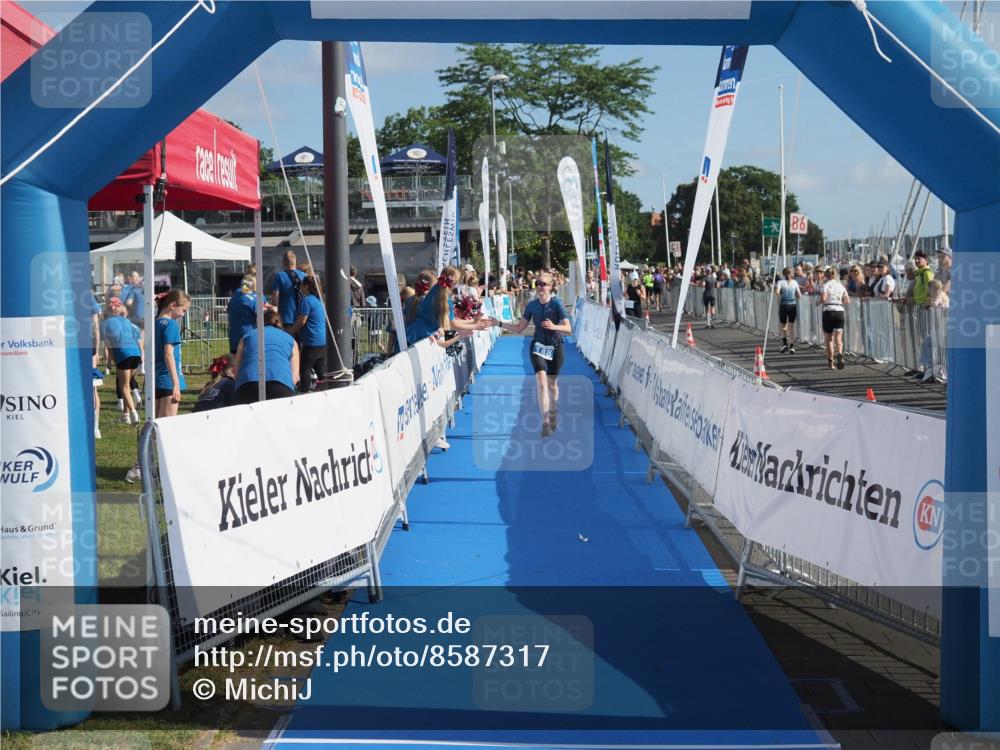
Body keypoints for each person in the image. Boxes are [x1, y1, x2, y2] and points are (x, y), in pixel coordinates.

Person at [494, 271, 572, 437]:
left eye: (543, 284)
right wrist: (498, 323)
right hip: (538, 346)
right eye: (538, 284)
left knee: (552, 385)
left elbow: (568, 329)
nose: (540, 287)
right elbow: (519, 328)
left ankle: (553, 411)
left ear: (551, 287)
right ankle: (544, 423)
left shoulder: (557, 304)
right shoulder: (532, 306)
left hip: (556, 346)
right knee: (542, 383)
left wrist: (554, 326)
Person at [404, 266, 492, 348]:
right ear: (456, 282)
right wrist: (475, 326)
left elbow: (451, 322)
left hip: (413, 335)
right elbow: (453, 325)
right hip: (416, 339)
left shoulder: (436, 291)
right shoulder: (443, 298)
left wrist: (473, 322)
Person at [234, 308, 300, 403]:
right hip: (281, 385)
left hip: (248, 384)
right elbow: (295, 376)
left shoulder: (246, 337)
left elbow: (237, 371)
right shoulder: (291, 340)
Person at [101, 297, 143, 424]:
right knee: (127, 384)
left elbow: (109, 347)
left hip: (123, 354)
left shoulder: (104, 324)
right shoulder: (127, 322)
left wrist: (112, 361)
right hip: (136, 353)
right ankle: (125, 415)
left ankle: (134, 414)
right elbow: (137, 338)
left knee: (124, 387)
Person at [287, 275, 327, 393]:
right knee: (320, 370)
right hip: (322, 341)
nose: (301, 289)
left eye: (302, 286)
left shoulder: (307, 301)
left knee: (304, 370)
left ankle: (304, 393)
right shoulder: (319, 300)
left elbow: (302, 321)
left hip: (311, 342)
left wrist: (290, 331)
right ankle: (325, 390)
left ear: (306, 286)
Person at [154, 289, 191, 418]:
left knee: (156, 426)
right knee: (166, 428)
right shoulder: (171, 325)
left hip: (156, 380)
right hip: (168, 380)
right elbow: (168, 354)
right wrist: (176, 384)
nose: (183, 315)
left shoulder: (155, 323)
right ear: (173, 305)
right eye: (183, 310)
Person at [820, 266, 849, 370]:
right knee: (839, 338)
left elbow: (823, 299)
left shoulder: (825, 285)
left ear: (826, 276)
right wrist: (839, 300)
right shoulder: (841, 286)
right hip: (839, 311)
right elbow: (847, 300)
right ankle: (840, 353)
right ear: (836, 275)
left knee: (829, 339)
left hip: (828, 311)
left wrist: (818, 302)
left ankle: (830, 362)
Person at [270, 250, 306, 326]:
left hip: (285, 319)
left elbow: (275, 298)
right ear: (296, 261)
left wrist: (274, 314)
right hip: (303, 318)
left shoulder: (279, 276)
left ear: (284, 262)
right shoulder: (304, 276)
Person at [227, 274, 258, 355]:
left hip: (234, 337)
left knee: (235, 363)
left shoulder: (234, 296)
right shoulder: (252, 299)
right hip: (248, 336)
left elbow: (228, 310)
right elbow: (261, 315)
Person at [775, 267, 801, 354]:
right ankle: (792, 345)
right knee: (791, 326)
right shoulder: (795, 282)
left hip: (784, 305)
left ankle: (785, 343)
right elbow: (799, 295)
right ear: (791, 274)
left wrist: (779, 295)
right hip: (792, 305)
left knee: (784, 325)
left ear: (783, 274)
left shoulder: (780, 282)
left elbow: (777, 292)